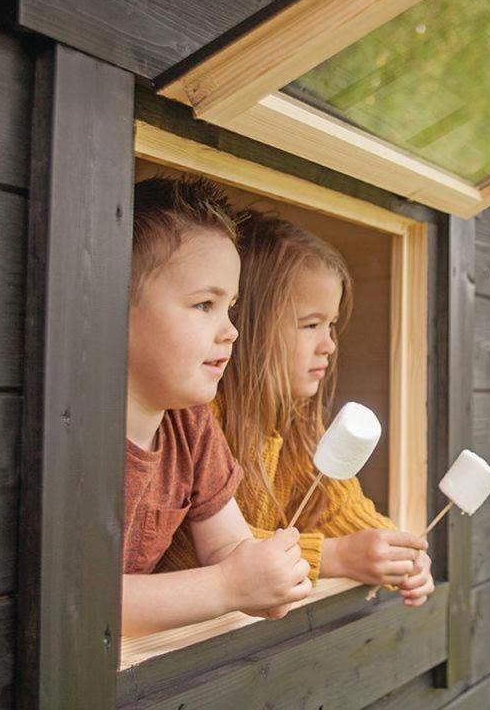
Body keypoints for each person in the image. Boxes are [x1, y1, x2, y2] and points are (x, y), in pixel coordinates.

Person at [160, 209, 434, 606]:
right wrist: (334, 556)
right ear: (251, 325)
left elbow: (337, 507)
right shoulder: (202, 418)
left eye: (332, 325)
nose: (330, 345)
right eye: (310, 325)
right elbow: (208, 548)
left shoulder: (298, 422)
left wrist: (395, 551)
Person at [122, 178, 312, 637]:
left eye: (230, 307)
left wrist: (264, 575)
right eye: (205, 304)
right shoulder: (73, 429)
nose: (231, 331)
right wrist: (228, 587)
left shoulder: (191, 425)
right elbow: (78, 598)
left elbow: (227, 543)